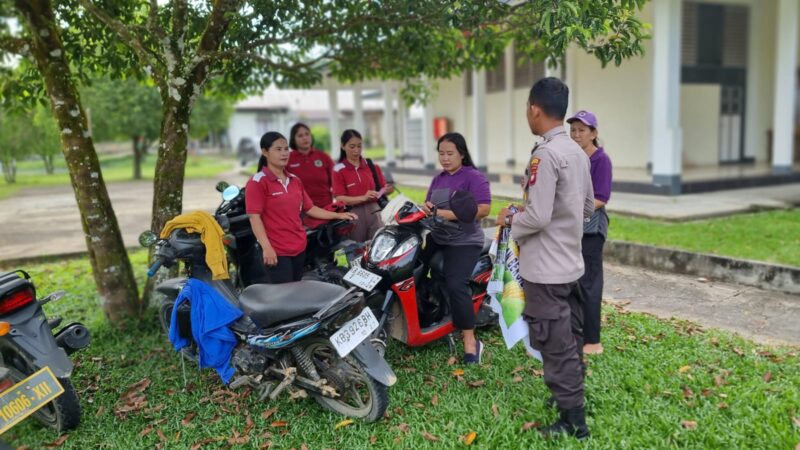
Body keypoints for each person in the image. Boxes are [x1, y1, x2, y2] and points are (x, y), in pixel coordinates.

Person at [496, 77, 594, 440]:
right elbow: (585, 207)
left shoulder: (546, 154)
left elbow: (537, 217)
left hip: (546, 271)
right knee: (571, 336)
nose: (527, 113)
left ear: (534, 109)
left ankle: (573, 421)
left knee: (555, 343)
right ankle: (571, 397)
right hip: (570, 264)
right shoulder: (576, 152)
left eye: (526, 108)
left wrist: (511, 224)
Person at [246, 132, 357, 284]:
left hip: (299, 247)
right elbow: (254, 217)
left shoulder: (294, 180)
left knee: (297, 291)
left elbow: (310, 208)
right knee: (285, 298)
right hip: (277, 251)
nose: (284, 153)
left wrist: (339, 215)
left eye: (286, 149)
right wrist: (266, 247)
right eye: (278, 149)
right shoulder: (258, 181)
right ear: (265, 152)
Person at [419, 133, 491, 364]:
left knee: (455, 282)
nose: (445, 158)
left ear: (461, 153)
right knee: (413, 268)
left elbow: (484, 209)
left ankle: (470, 341)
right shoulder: (438, 179)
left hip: (464, 241)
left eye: (450, 153)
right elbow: (428, 203)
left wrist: (447, 214)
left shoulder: (473, 177)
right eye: (441, 153)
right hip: (439, 236)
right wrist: (427, 207)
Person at [567, 110, 613, 356]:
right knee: (571, 282)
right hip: (571, 229)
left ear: (593, 134)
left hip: (591, 230)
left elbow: (600, 198)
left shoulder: (600, 160)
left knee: (590, 283)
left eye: (581, 130)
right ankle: (576, 332)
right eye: (573, 130)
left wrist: (571, 208)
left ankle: (592, 341)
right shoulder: (571, 158)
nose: (576, 134)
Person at [331, 129, 394, 242]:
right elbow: (339, 198)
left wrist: (387, 189)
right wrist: (363, 197)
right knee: (357, 250)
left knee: (377, 246)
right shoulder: (338, 170)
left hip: (375, 211)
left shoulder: (370, 165)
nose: (356, 150)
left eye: (359, 146)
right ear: (343, 146)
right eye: (352, 146)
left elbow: (384, 187)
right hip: (353, 214)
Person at [286, 123, 335, 208]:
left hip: (326, 208)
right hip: (300, 211)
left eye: (307, 134)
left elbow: (337, 182)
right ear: (293, 140)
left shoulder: (323, 157)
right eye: (300, 135)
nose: (305, 138)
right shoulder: (287, 159)